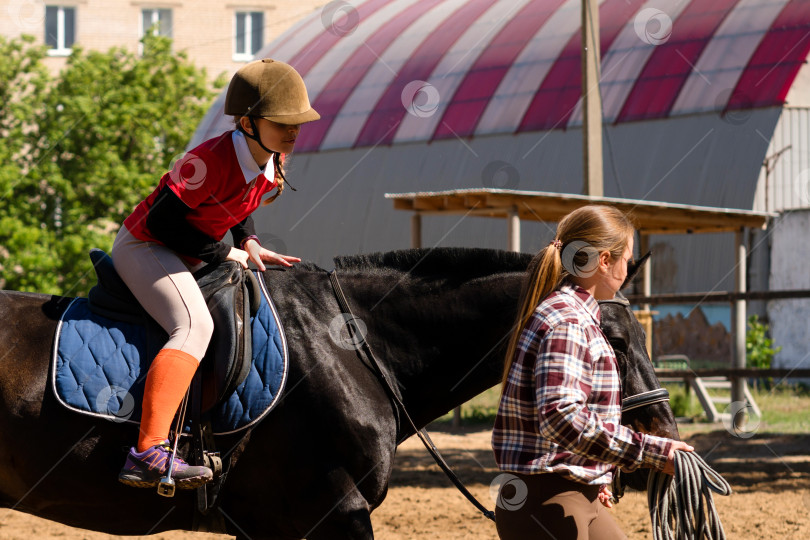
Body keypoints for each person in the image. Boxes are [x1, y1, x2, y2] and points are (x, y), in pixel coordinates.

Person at [114, 58, 319, 489]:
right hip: (146, 245)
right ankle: (146, 452)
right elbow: (164, 224)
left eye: (297, 121)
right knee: (193, 325)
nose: (293, 131)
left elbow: (238, 209)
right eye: (282, 122)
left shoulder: (271, 160)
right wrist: (228, 254)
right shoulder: (205, 161)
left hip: (188, 252)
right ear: (247, 122)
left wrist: (249, 243)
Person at [491, 205, 693, 539]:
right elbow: (561, 416)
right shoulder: (568, 322)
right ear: (603, 261)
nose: (628, 269)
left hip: (572, 493)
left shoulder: (577, 316)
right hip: (549, 499)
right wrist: (651, 452)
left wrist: (595, 471)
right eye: (626, 259)